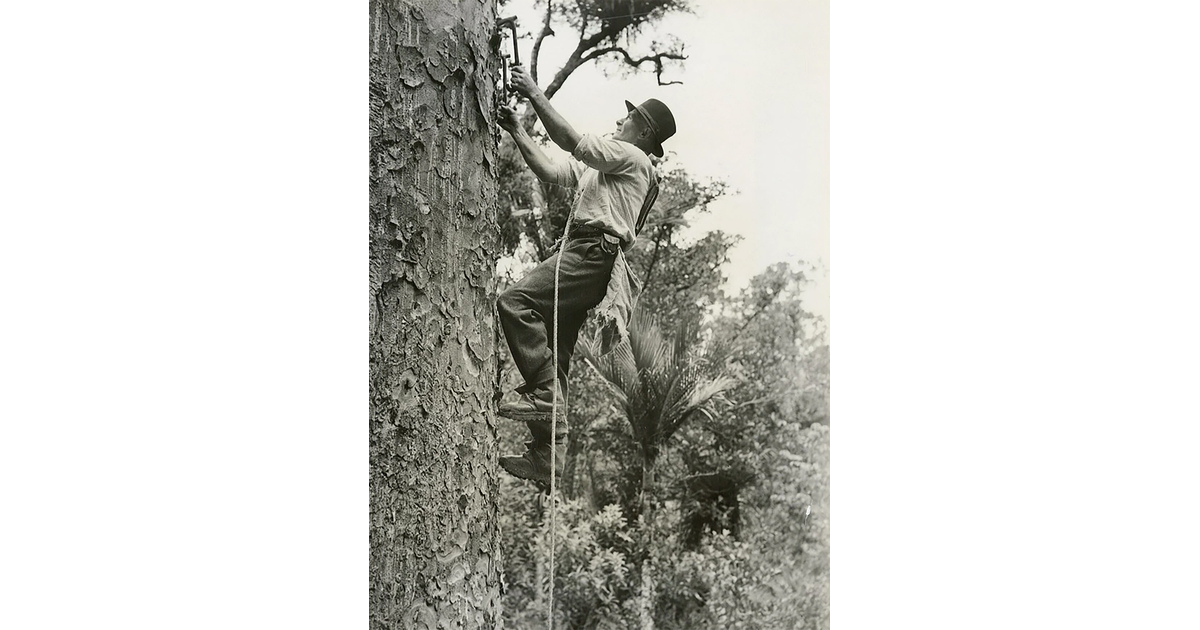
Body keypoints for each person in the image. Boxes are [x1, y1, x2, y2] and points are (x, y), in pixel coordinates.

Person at [495, 64, 676, 488]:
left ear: (644, 133)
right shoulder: (607, 169)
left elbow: (571, 142)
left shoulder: (631, 159)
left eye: (628, 117)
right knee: (554, 349)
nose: (619, 120)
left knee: (515, 302)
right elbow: (552, 170)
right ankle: (548, 456)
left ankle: (545, 399)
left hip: (592, 253)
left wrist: (533, 93)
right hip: (586, 254)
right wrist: (518, 129)